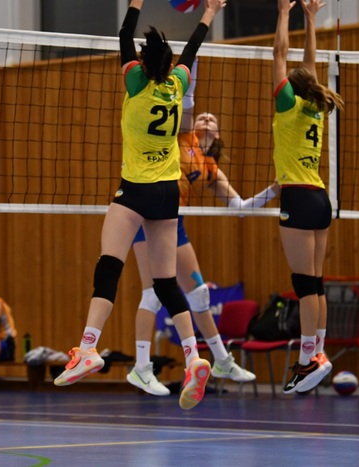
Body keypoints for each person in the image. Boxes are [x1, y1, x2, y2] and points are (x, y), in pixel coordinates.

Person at [53, 0, 226, 411]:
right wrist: (209, 13)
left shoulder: (136, 83)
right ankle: (193, 357)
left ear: (143, 64)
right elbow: (192, 51)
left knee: (109, 267)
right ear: (169, 66)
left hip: (135, 190)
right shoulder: (176, 84)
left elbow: (123, 36)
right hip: (167, 192)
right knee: (166, 284)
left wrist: (135, 3)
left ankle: (88, 347)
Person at [127, 60, 279, 395]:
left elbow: (240, 208)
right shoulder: (183, 135)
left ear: (218, 134)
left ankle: (222, 360)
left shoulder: (210, 168)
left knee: (199, 292)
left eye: (212, 120)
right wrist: (192, 57)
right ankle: (141, 367)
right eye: (202, 117)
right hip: (146, 216)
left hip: (173, 221)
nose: (206, 119)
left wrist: (275, 189)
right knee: (152, 293)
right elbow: (188, 97)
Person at [274, 0, 343, 394]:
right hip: (319, 198)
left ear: (290, 86)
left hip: (298, 198)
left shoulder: (288, 104)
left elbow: (280, 53)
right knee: (315, 282)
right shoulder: (315, 104)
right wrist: (311, 18)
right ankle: (318, 352)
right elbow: (308, 62)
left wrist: (284, 13)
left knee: (304, 284)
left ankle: (306, 361)